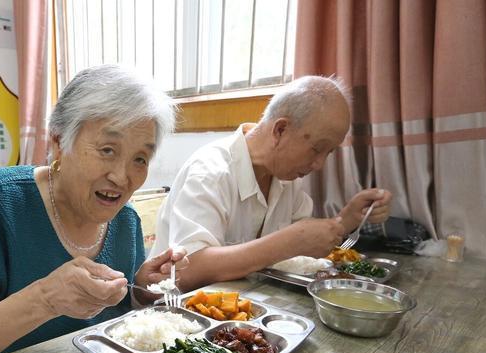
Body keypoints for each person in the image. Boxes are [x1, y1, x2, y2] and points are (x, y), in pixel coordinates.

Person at [0, 65, 185, 353]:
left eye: (140, 159)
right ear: (59, 142)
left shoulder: (125, 221)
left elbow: (113, 320)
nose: (122, 176)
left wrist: (140, 291)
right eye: (107, 150)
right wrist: (45, 298)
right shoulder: (0, 203)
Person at [150, 75, 392, 292]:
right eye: (317, 149)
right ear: (280, 129)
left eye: (328, 153)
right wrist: (287, 243)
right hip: (178, 313)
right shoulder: (209, 172)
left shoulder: (285, 179)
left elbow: (306, 240)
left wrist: (347, 219)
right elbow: (187, 271)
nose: (318, 164)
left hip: (247, 307)